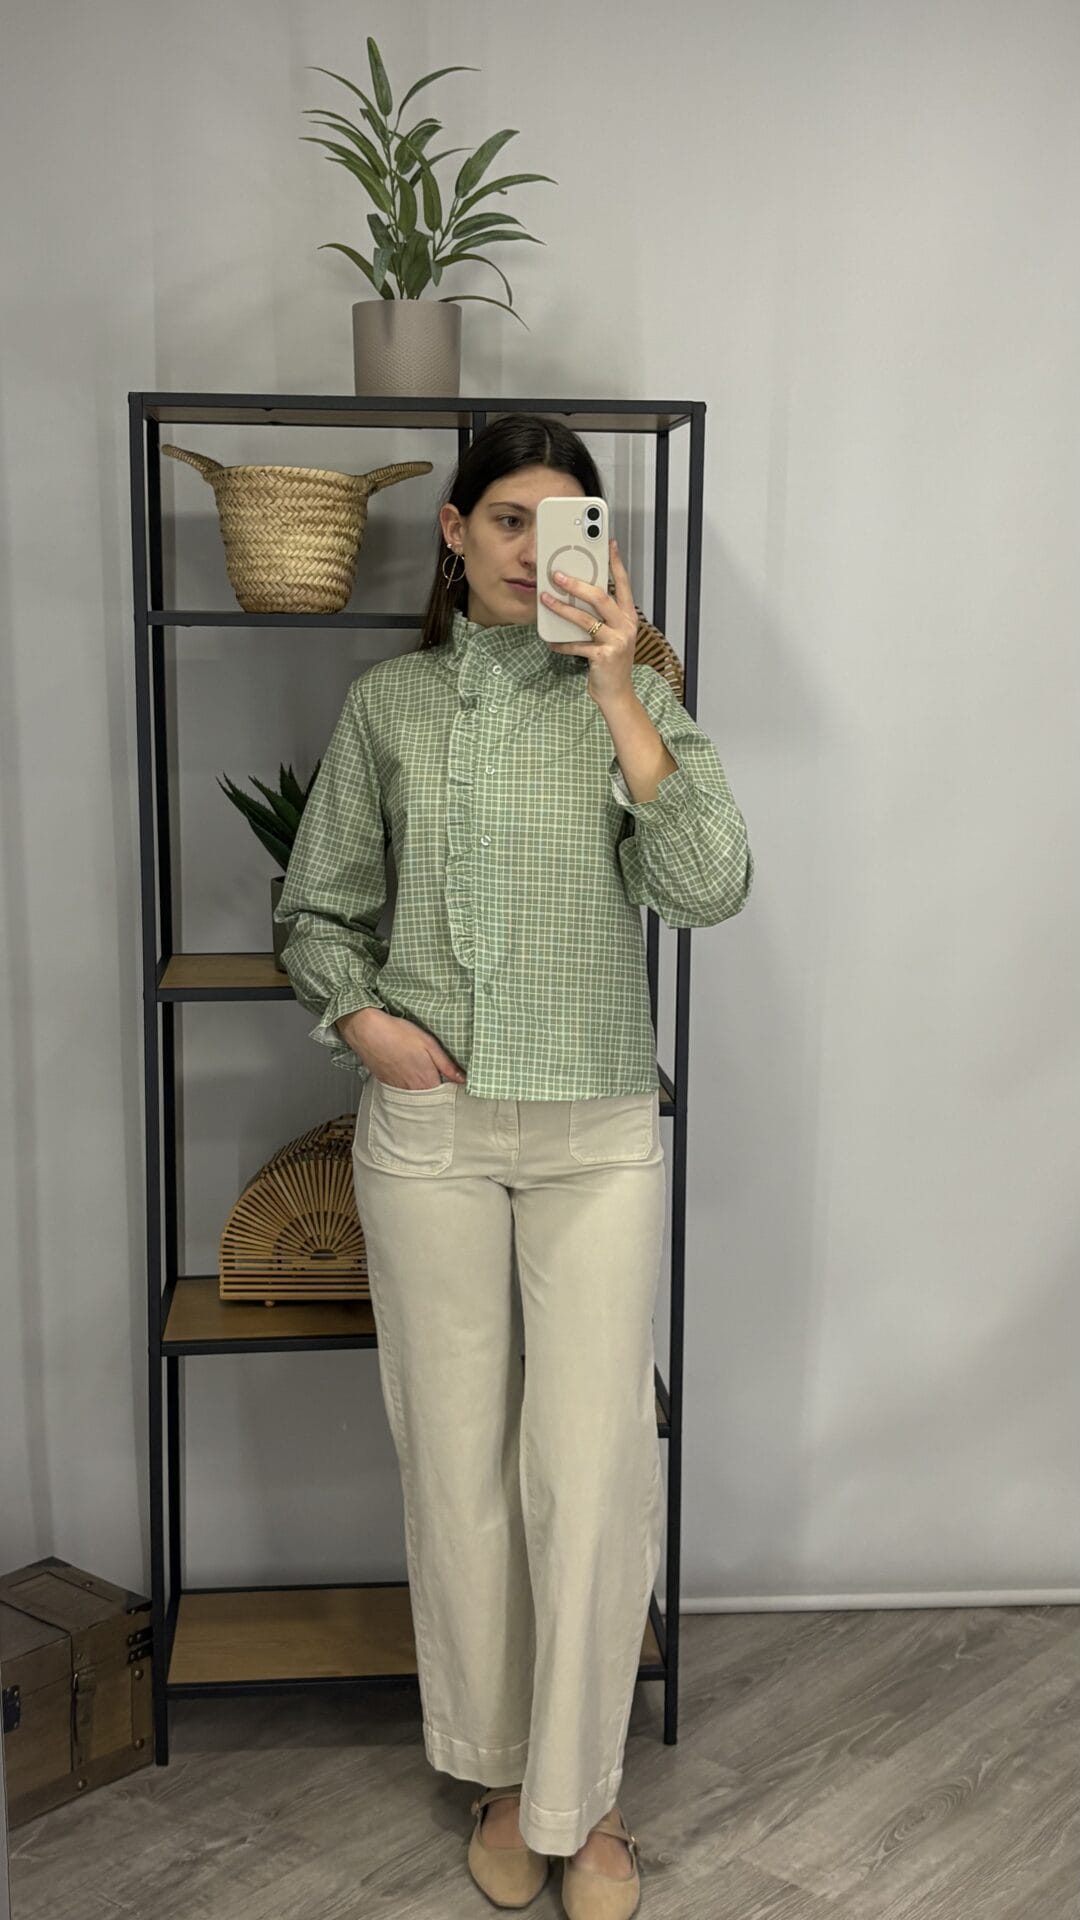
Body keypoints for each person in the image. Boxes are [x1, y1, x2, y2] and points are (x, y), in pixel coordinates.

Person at [274, 413, 754, 1919]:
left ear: (597, 547)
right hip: (432, 1135)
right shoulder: (392, 705)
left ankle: (583, 1797)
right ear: (457, 534)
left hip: (596, 1130)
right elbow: (318, 905)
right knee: (460, 1461)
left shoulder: (641, 695)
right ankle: (496, 1776)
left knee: (592, 1468)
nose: (533, 551)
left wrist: (618, 688)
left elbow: (710, 887)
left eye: (565, 525)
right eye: (507, 521)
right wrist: (364, 1020)